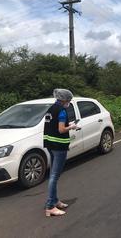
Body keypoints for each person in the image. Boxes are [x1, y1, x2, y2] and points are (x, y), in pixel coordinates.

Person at [44, 89, 77, 217]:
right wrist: (72, 126)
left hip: (50, 144)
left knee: (53, 174)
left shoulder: (51, 109)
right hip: (59, 146)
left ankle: (55, 200)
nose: (69, 102)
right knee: (54, 176)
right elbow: (61, 129)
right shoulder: (62, 110)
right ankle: (50, 206)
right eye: (68, 100)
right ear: (64, 100)